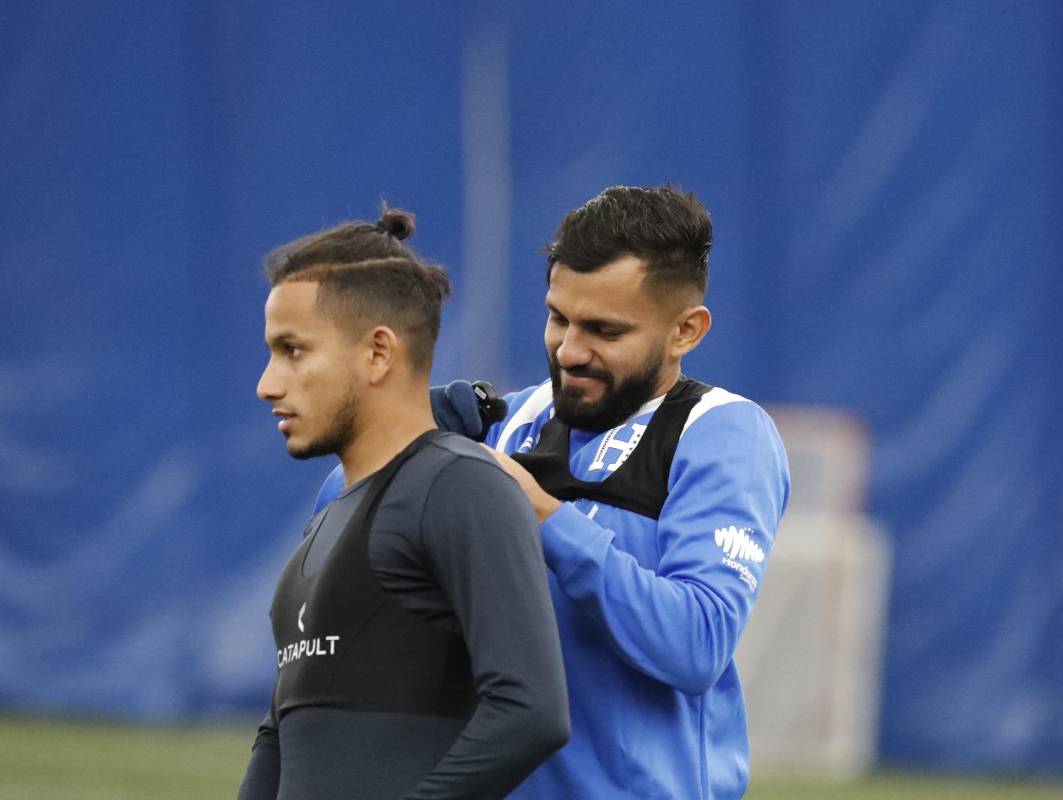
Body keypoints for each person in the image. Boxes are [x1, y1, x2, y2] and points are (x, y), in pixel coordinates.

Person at [317, 185, 790, 799]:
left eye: (604, 330)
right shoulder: (510, 421)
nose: (569, 350)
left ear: (685, 332)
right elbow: (336, 535)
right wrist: (392, 446)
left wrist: (541, 514)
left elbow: (695, 644)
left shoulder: (720, 433)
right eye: (558, 317)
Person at [238, 209, 569, 800]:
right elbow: (277, 735)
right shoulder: (328, 515)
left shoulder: (461, 486)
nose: (267, 382)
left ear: (378, 353)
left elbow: (531, 710)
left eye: (292, 350)